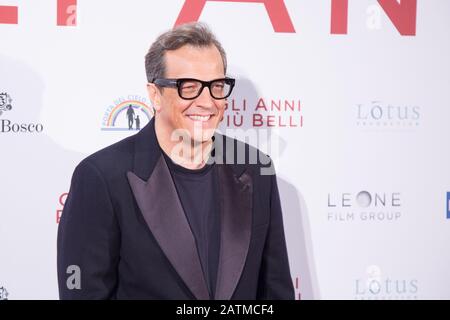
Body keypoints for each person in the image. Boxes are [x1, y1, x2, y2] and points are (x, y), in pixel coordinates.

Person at [57, 22, 294, 300]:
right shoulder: (101, 177)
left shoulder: (255, 169)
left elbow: (276, 290)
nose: (207, 101)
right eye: (189, 87)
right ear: (155, 95)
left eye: (216, 86)